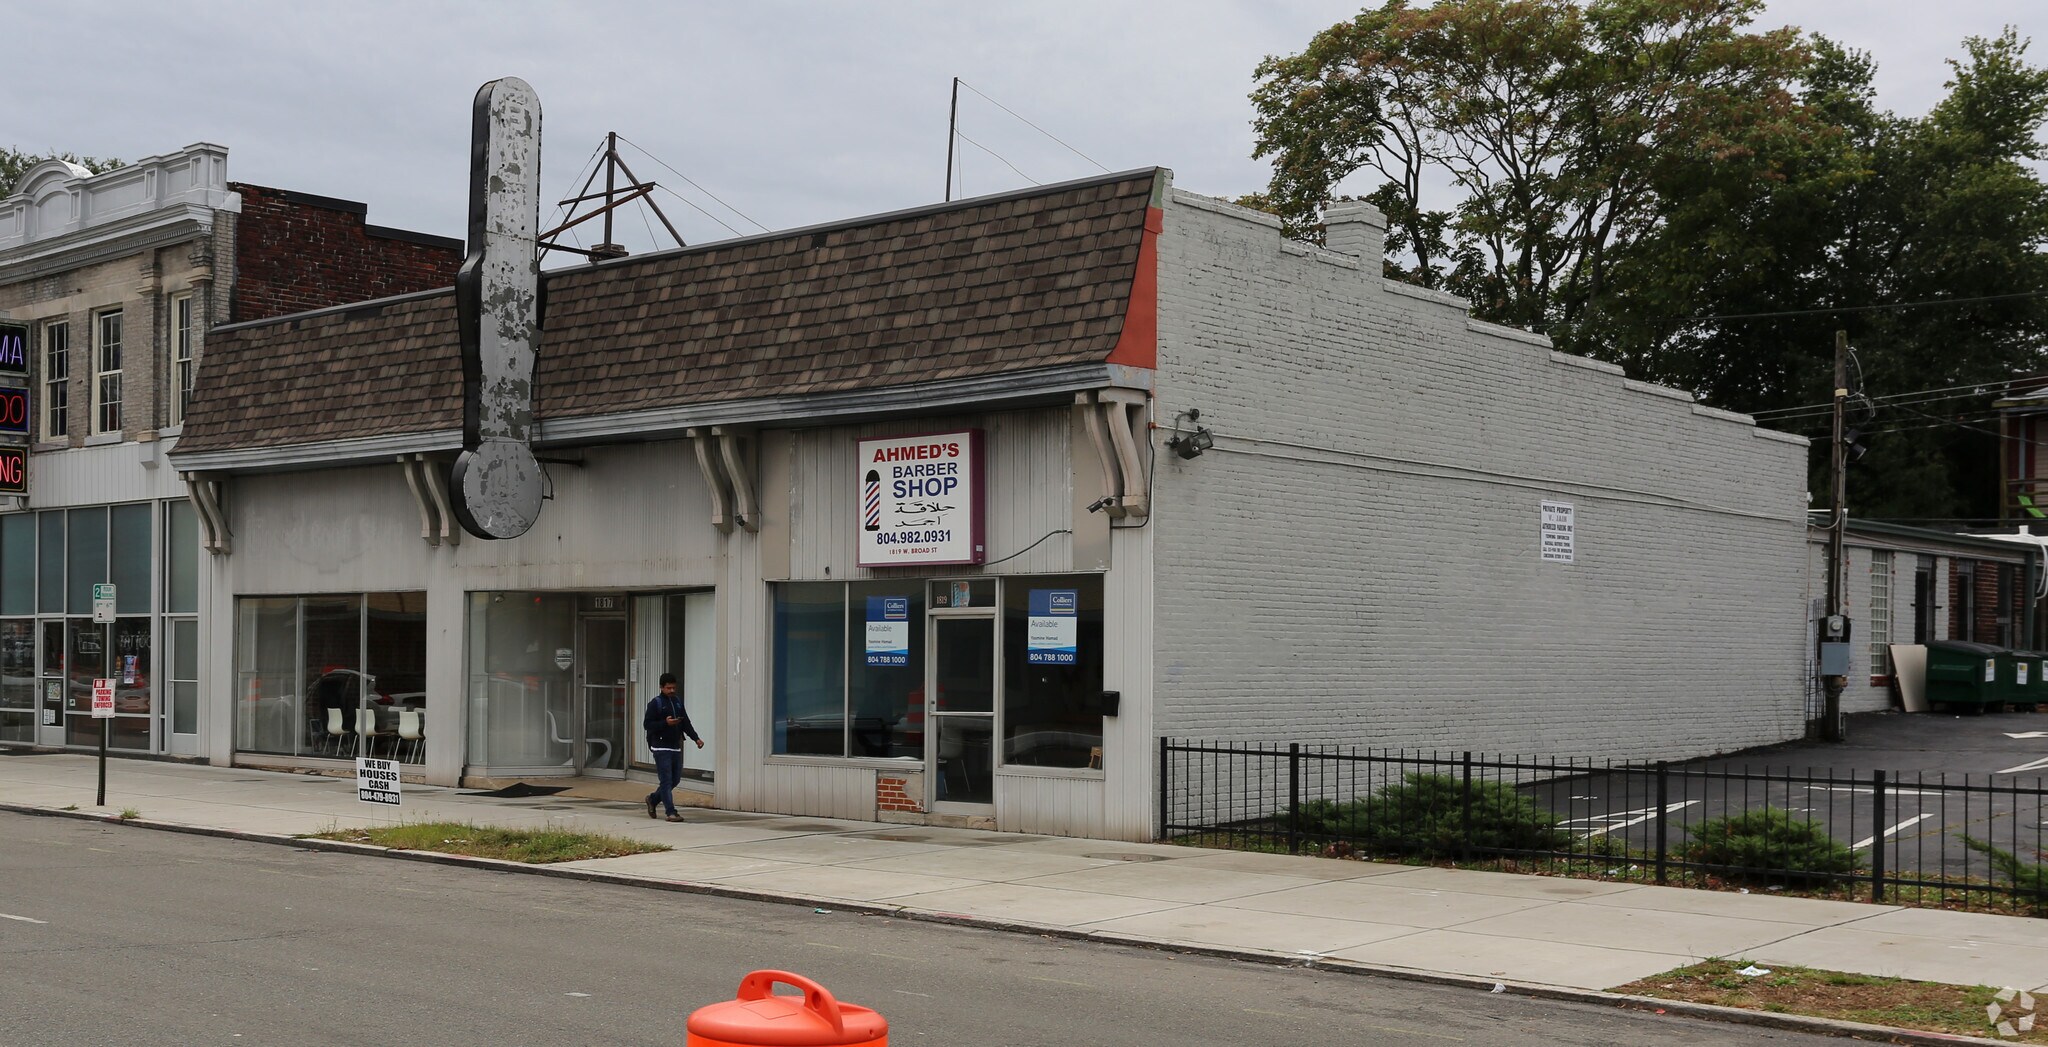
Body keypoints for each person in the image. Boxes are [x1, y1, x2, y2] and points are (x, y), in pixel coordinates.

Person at [643, 672, 703, 822]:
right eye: (668, 688)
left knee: (675, 779)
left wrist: (696, 738)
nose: (671, 691)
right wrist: (665, 723)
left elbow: (686, 723)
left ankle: (653, 799)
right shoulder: (655, 703)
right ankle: (671, 812)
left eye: (673, 688)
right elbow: (647, 724)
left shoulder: (677, 702)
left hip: (675, 746)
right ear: (661, 687)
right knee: (666, 780)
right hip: (660, 747)